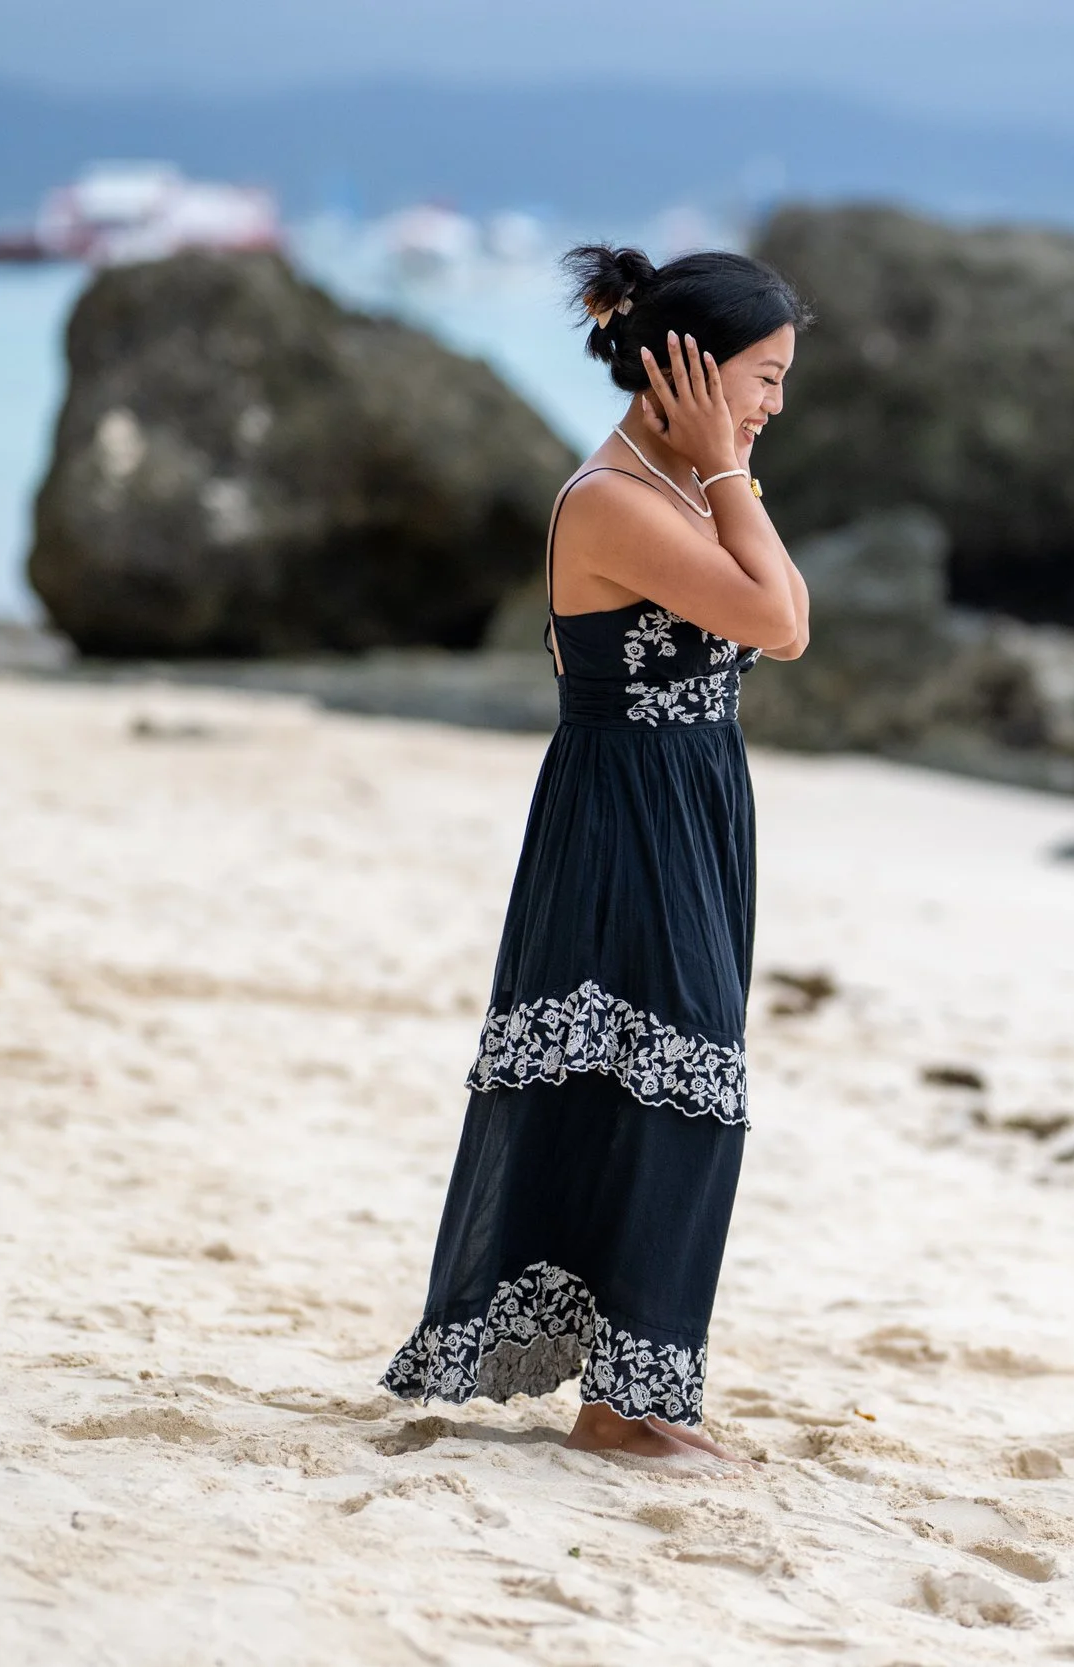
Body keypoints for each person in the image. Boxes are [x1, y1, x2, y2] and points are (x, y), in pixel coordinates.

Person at [381, 245, 812, 1460]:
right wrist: (729, 467)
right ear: (687, 366)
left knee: (672, 1076)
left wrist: (725, 468)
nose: (774, 405)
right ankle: (626, 1410)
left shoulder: (680, 492)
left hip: (695, 803)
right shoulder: (616, 500)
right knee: (671, 1084)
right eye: (763, 378)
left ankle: (631, 1394)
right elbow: (779, 621)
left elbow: (784, 609)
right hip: (624, 812)